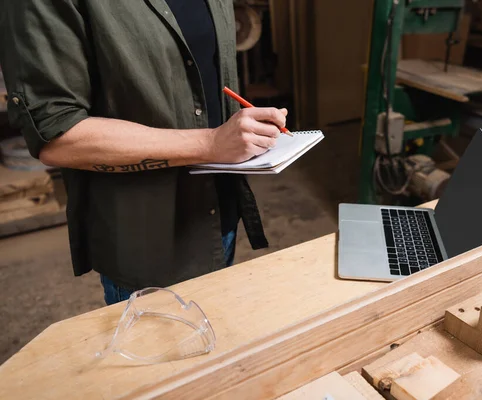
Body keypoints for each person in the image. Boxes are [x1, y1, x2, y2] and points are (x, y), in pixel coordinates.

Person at [0, 1, 286, 305]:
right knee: (160, 350)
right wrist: (211, 143)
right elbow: (58, 137)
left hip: (218, 212)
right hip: (149, 235)